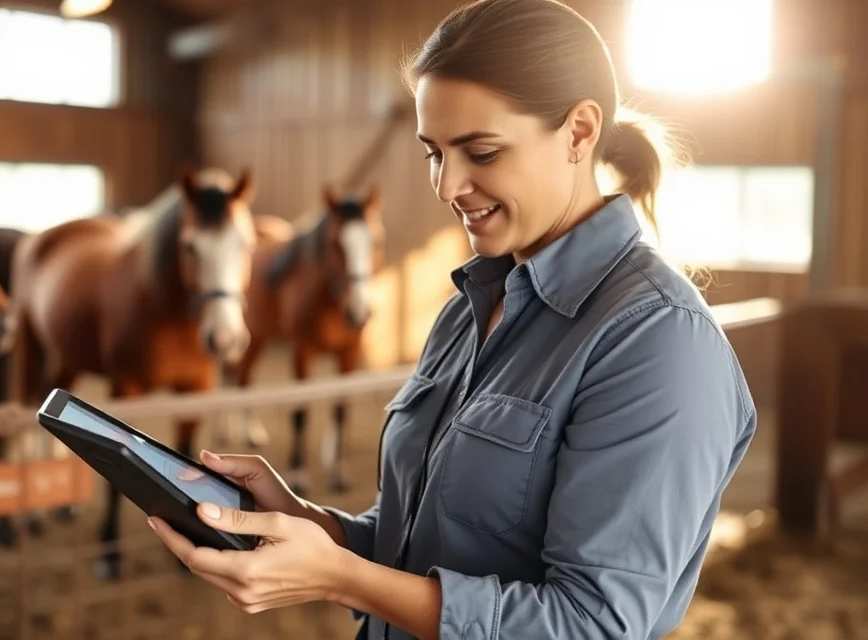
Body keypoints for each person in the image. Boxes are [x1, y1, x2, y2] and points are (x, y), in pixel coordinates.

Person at [147, 0, 757, 637]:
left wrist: (337, 578)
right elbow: (419, 541)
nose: (446, 186)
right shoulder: (467, 310)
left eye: (482, 153)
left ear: (579, 132)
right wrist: (311, 525)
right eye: (433, 153)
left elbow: (591, 624)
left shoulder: (657, 342)